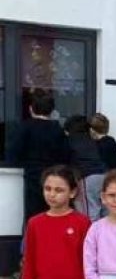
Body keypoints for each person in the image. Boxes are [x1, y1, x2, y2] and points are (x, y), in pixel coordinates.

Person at [13, 90, 71, 223]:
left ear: (30, 109)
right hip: (54, 177)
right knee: (53, 213)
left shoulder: (25, 127)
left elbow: (14, 152)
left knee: (33, 216)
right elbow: (66, 155)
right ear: (51, 110)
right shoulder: (57, 129)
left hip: (32, 176)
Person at [62, 115, 107, 220]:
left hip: (87, 177)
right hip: (103, 175)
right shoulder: (91, 140)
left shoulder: (70, 141)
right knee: (103, 209)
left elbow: (65, 161)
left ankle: (91, 230)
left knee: (89, 210)